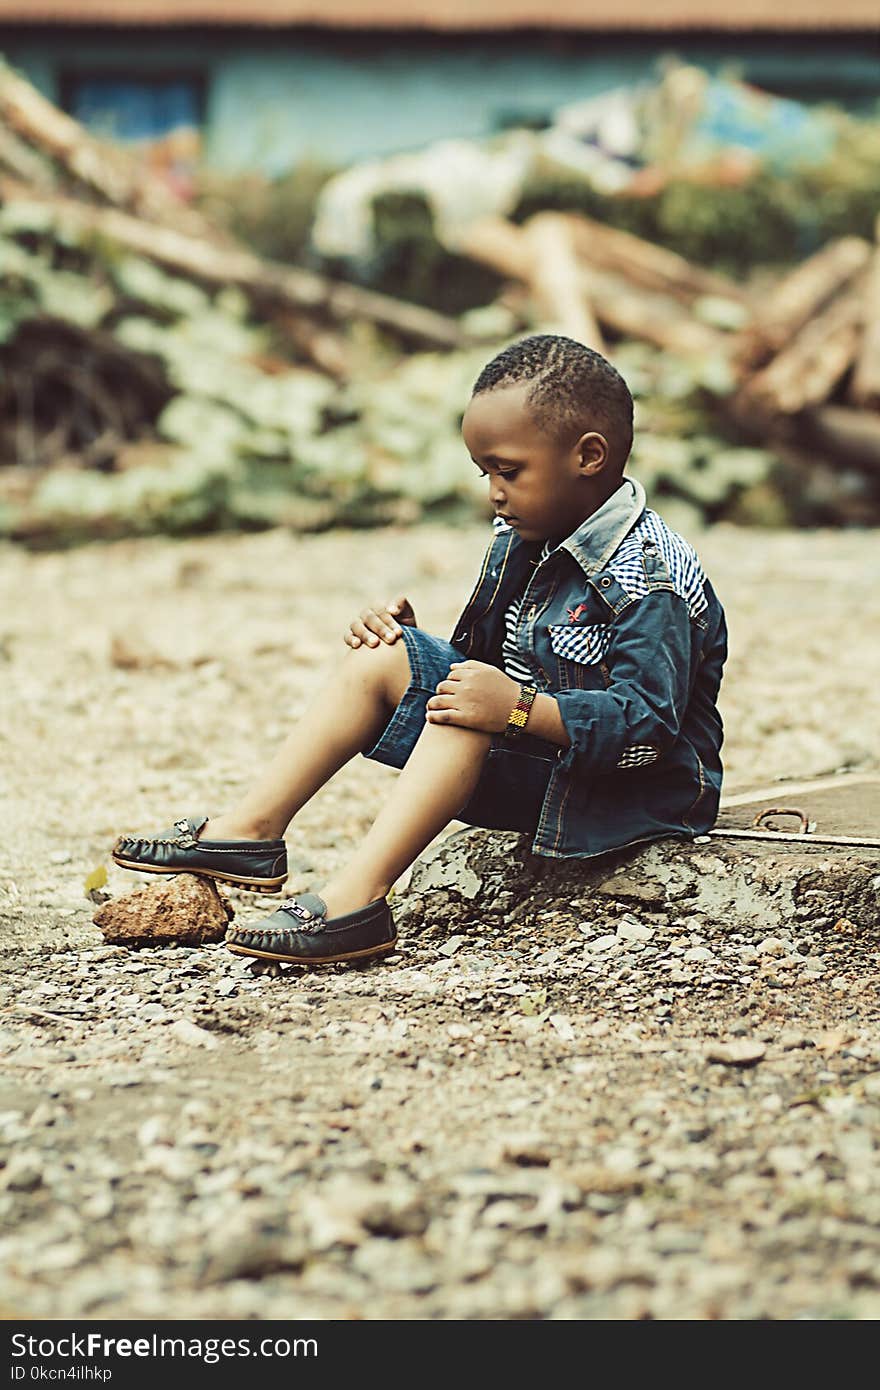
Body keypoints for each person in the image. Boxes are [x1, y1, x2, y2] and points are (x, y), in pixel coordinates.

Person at [112, 335, 727, 967]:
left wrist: (513, 710)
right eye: (484, 472)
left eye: (508, 471)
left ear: (588, 457)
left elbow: (647, 727)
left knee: (467, 709)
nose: (493, 491)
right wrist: (417, 648)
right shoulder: (529, 534)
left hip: (632, 792)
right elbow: (490, 662)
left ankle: (358, 901)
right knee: (384, 656)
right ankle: (251, 831)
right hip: (546, 758)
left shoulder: (650, 578)